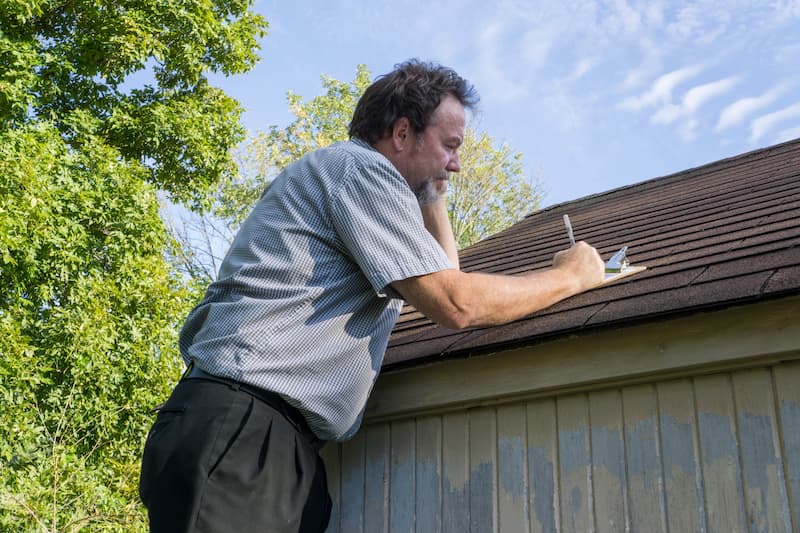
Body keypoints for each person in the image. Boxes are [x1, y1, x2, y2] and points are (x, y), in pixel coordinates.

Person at [139, 59, 604, 532]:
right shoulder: (358, 170)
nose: (457, 164)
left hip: (274, 442)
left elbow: (444, 275)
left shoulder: (363, 185)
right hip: (243, 429)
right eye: (450, 145)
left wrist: (433, 195)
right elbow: (456, 302)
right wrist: (571, 277)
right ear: (402, 134)